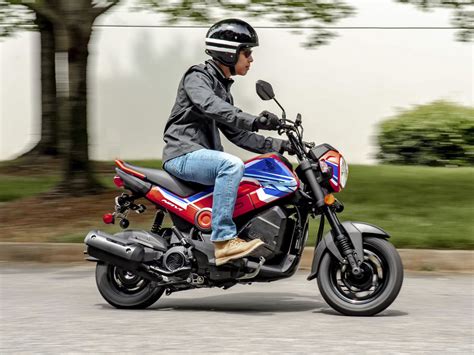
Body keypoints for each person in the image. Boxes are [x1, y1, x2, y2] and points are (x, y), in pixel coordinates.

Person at [162, 18, 294, 266]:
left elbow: (238, 133)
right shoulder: (196, 77)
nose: (251, 59)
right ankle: (223, 241)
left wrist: (279, 146)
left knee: (250, 176)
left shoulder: (223, 89)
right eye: (247, 52)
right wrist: (255, 120)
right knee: (231, 165)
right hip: (182, 154)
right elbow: (210, 106)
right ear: (228, 52)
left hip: (199, 157)